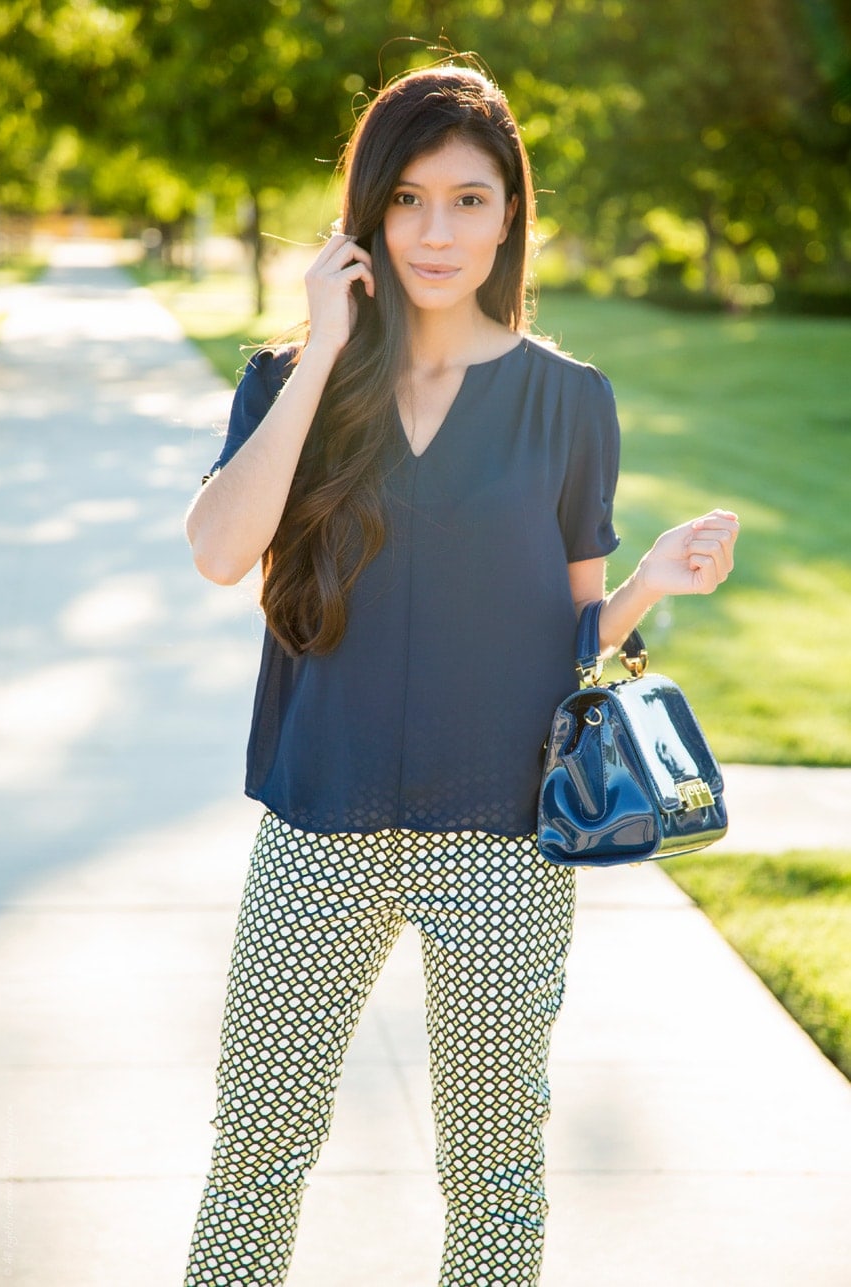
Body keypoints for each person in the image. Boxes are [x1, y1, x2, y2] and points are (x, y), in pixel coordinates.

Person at [183, 63, 738, 1287]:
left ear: (509, 215)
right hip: (318, 821)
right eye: (412, 201)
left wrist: (646, 584)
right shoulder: (293, 383)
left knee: (493, 1177)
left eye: (471, 202)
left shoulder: (568, 401)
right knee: (253, 1152)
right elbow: (222, 551)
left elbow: (574, 647)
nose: (439, 233)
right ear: (370, 215)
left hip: (502, 839)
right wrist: (326, 347)